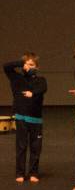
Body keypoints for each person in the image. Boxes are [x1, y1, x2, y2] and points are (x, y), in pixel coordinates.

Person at [5, 52, 47, 183]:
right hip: (21, 117)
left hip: (35, 119)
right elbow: (6, 66)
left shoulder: (41, 80)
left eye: (32, 65)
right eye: (27, 64)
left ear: (37, 67)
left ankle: (34, 172)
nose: (29, 67)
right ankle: (20, 173)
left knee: (35, 147)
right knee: (21, 146)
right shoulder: (16, 78)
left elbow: (42, 89)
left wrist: (32, 93)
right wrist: (21, 63)